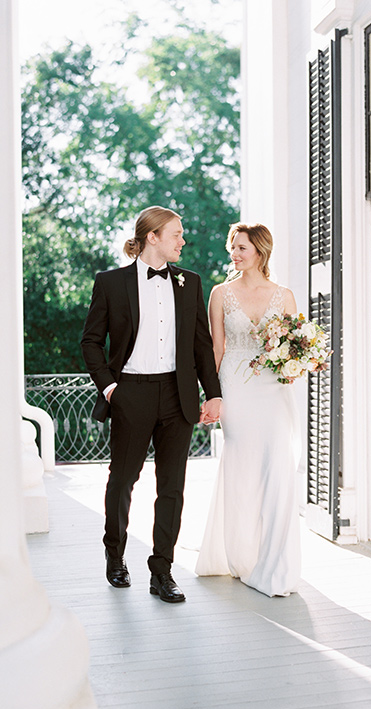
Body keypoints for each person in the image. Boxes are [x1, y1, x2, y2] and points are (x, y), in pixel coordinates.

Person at [81, 206, 221, 603]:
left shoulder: (189, 282)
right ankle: (115, 555)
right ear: (152, 237)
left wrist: (213, 393)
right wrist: (110, 389)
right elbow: (90, 341)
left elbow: (201, 345)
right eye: (176, 234)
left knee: (172, 488)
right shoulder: (110, 283)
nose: (182, 241)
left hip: (178, 397)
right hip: (131, 394)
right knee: (123, 480)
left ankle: (162, 572)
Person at [195, 223, 301, 597]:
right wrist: (212, 396)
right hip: (236, 387)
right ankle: (242, 556)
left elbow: (293, 347)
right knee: (242, 469)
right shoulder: (221, 294)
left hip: (273, 389)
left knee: (277, 469)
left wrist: (302, 363)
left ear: (260, 251)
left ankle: (276, 565)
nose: (235, 254)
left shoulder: (284, 295)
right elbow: (216, 350)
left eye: (242, 248)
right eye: (233, 248)